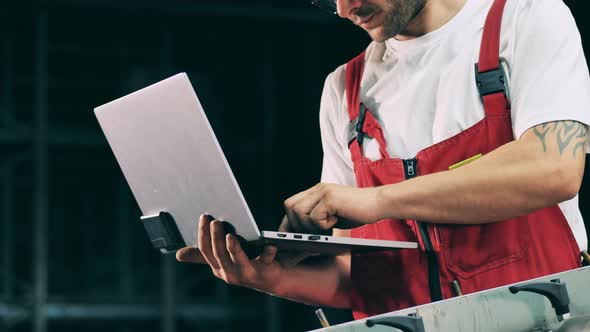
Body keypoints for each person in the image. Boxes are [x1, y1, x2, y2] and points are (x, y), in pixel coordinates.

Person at [177, 0, 590, 320]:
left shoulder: (526, 17)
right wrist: (271, 277)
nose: (344, 9)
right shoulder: (345, 90)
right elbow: (360, 275)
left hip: (541, 319)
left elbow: (552, 168)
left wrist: (375, 201)